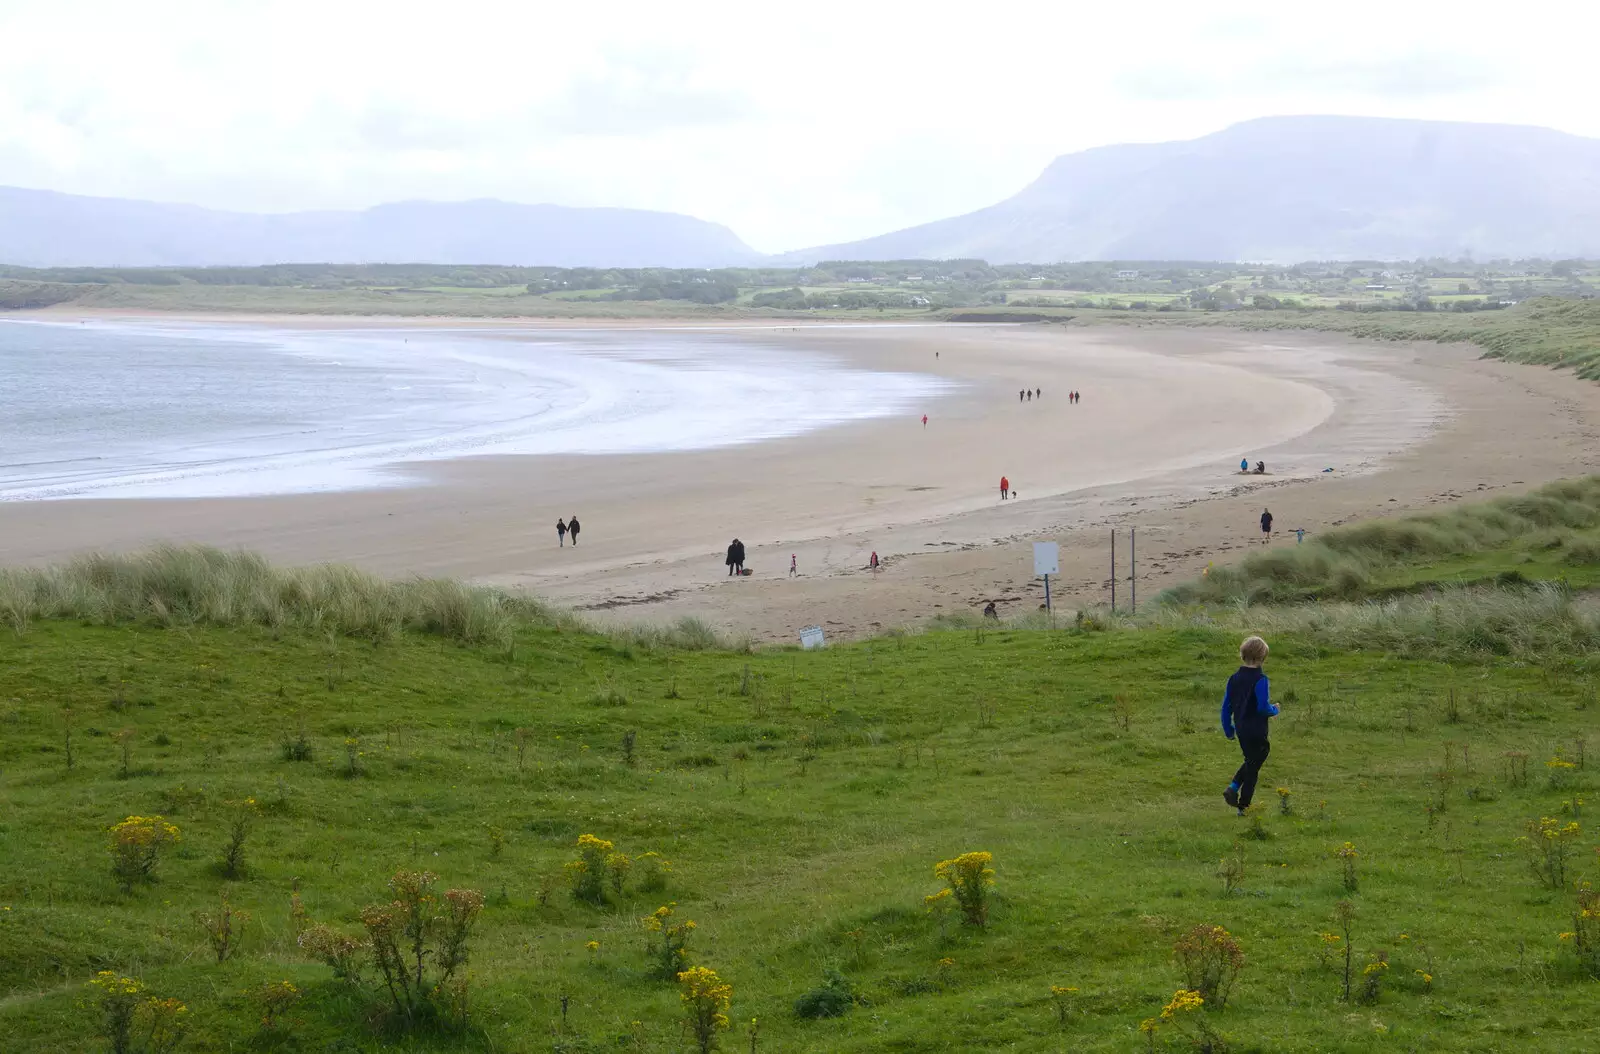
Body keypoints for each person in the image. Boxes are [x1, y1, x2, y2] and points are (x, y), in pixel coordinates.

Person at [1221, 636, 1280, 816]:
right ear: (1263, 657)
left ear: (1242, 655)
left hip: (1241, 729)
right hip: (1257, 729)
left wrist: (1228, 728)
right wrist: (1275, 710)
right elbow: (1262, 707)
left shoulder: (1233, 679)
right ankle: (1243, 807)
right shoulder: (1261, 679)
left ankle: (1233, 787)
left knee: (1251, 760)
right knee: (1254, 766)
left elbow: (1226, 707)